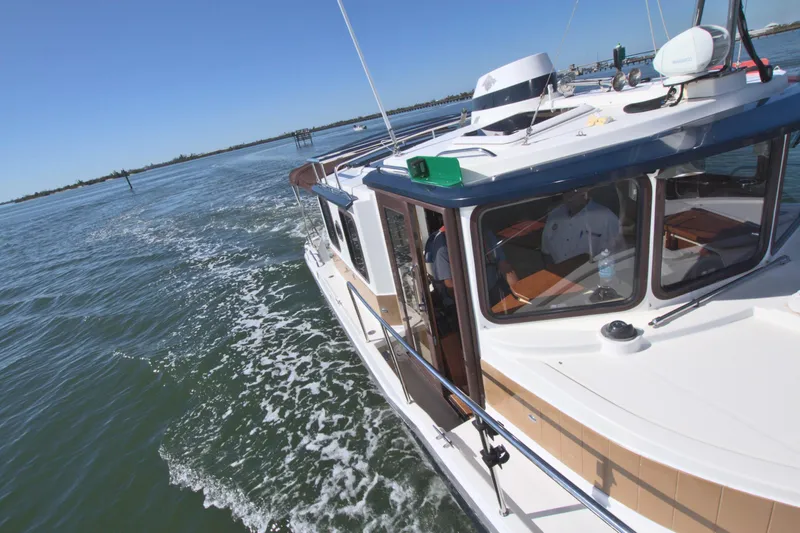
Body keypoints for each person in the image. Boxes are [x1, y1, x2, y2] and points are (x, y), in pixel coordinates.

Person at [542, 189, 622, 265]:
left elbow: (618, 258)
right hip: (557, 276)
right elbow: (546, 253)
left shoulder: (607, 218)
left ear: (586, 189)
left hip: (589, 275)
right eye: (567, 189)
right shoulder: (554, 216)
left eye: (575, 189)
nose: (570, 193)